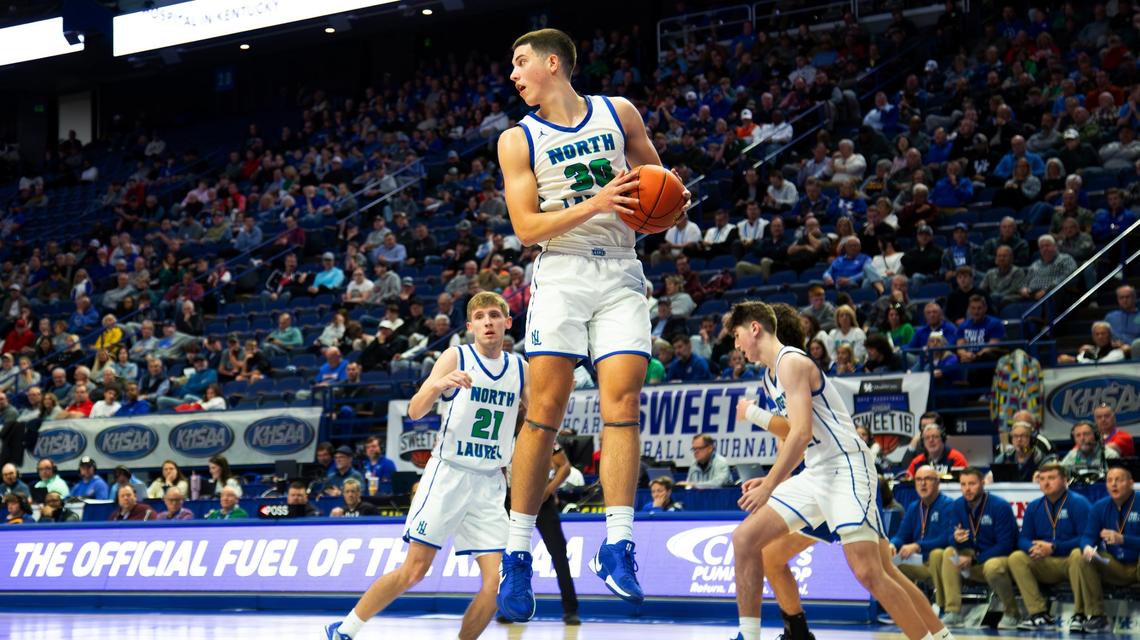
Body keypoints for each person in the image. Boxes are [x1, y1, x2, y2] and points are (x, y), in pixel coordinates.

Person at [494, 29, 691, 619]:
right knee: (544, 413)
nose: (514, 73)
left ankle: (619, 542)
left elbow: (667, 195)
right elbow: (527, 229)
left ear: (553, 63)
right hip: (561, 274)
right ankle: (516, 557)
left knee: (624, 403)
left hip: (622, 272)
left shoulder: (618, 113)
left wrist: (671, 206)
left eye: (521, 61)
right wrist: (598, 203)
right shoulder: (516, 139)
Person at [725, 301, 935, 640]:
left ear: (754, 329)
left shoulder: (792, 361)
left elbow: (802, 433)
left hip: (846, 467)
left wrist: (769, 484)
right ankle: (749, 635)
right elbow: (794, 433)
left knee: (871, 572)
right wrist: (771, 478)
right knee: (746, 539)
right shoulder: (768, 377)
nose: (735, 346)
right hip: (816, 471)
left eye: (736, 336)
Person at [325, 292, 525, 640]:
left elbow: (536, 419)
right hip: (449, 475)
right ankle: (345, 628)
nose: (488, 322)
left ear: (508, 322)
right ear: (470, 326)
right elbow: (415, 411)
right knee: (414, 571)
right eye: (480, 317)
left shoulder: (522, 368)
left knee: (498, 583)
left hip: (491, 482)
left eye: (495, 315)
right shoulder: (456, 356)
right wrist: (437, 385)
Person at [1007, 463, 1093, 631]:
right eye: (1042, 479)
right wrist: (1032, 548)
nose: (1046, 483)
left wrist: (1054, 547)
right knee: (1016, 558)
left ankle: (1081, 614)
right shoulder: (1034, 506)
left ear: (1065, 480)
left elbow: (1087, 538)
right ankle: (1038, 614)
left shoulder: (1079, 503)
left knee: (1078, 554)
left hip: (1069, 560)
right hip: (1044, 561)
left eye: (1051, 478)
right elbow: (1023, 538)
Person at [938, 467, 1019, 629]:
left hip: (999, 560)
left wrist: (974, 559)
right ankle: (953, 611)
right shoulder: (957, 506)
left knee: (992, 566)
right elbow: (949, 536)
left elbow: (1006, 545)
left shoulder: (999, 506)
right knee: (948, 553)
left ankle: (1012, 613)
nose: (967, 489)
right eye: (963, 484)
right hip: (972, 562)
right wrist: (956, 539)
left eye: (972, 484)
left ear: (983, 483)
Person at [1077, 464, 1140, 633]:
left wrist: (1123, 539)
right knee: (1082, 556)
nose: (1113, 484)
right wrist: (1087, 547)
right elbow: (1087, 536)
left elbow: (1126, 540)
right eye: (1109, 480)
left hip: (1137, 564)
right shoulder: (1100, 507)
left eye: (1118, 480)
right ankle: (1098, 616)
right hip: (1115, 566)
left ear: (1131, 483)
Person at [889, 466, 954, 611]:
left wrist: (918, 546)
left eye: (928, 479)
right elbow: (901, 535)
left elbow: (946, 539)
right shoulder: (914, 507)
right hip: (918, 561)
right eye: (919, 479)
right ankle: (899, 608)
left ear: (937, 482)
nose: (922, 484)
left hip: (940, 561)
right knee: (889, 561)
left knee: (937, 555)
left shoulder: (948, 505)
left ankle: (941, 605)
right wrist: (892, 544)